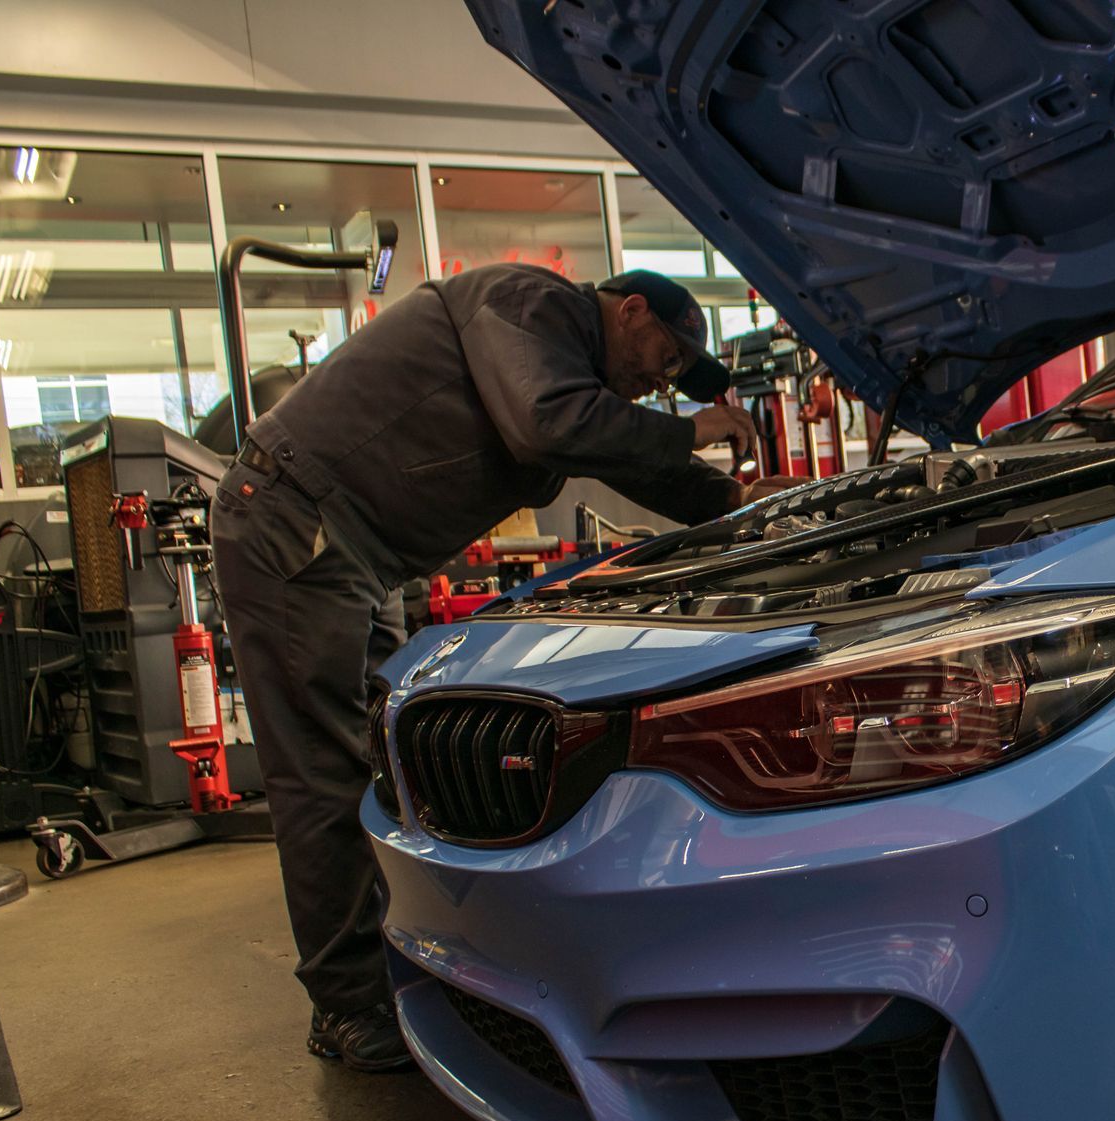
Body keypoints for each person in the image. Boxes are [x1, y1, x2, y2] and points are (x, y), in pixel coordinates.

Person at [211, 265, 784, 1071]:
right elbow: (551, 427)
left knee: (379, 768)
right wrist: (697, 427)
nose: (667, 382)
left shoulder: (569, 368)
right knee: (319, 774)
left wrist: (740, 506)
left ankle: (382, 974)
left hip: (354, 551)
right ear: (631, 310)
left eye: (680, 381)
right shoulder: (530, 304)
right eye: (669, 358)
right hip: (297, 523)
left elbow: (622, 456)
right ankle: (346, 1008)